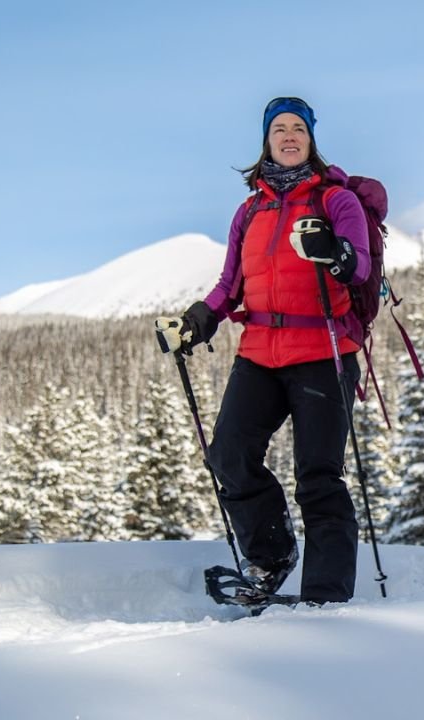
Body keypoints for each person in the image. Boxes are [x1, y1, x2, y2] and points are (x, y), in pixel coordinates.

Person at [156, 96, 370, 603]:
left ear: (311, 139)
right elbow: (230, 284)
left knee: (318, 475)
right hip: (260, 352)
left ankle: (326, 593)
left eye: (299, 127)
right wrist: (197, 322)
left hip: (324, 350)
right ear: (267, 140)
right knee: (228, 453)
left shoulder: (337, 201)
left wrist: (332, 253)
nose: (290, 135)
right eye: (280, 129)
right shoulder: (250, 209)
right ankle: (272, 557)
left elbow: (358, 267)